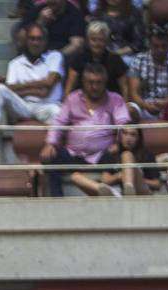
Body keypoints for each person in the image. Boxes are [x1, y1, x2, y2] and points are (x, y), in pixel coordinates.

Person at [41, 62, 130, 198]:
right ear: (83, 82)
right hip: (74, 153)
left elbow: (123, 124)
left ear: (105, 82)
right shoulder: (73, 98)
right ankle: (57, 202)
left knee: (122, 156)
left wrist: (118, 144)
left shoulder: (115, 99)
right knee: (52, 159)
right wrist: (50, 143)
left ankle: (117, 198)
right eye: (90, 82)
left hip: (104, 154)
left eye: (98, 82)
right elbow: (59, 122)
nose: (94, 86)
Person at [0, 24, 64, 149]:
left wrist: (23, 86)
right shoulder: (15, 64)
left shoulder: (55, 57)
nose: (35, 43)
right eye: (32, 39)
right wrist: (39, 87)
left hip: (47, 106)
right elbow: (12, 90)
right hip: (24, 107)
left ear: (45, 41)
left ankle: (54, 151)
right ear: (26, 41)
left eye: (39, 39)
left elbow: (49, 84)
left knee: (58, 112)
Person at [126, 25, 168, 122]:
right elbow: (133, 93)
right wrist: (145, 105)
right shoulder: (138, 60)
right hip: (144, 104)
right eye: (156, 46)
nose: (160, 50)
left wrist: (165, 102)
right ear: (150, 45)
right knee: (129, 111)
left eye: (163, 46)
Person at [64, 21, 127, 96]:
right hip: (82, 102)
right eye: (93, 40)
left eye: (101, 40)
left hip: (110, 102)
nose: (97, 43)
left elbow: (125, 88)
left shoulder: (115, 60)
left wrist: (124, 105)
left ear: (106, 41)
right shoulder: (78, 59)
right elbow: (68, 89)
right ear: (88, 41)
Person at [17, 0, 83, 58]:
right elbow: (21, 40)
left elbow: (76, 45)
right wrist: (40, 22)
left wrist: (56, 57)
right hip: (36, 56)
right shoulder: (36, 9)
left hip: (62, 57)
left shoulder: (74, 13)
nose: (51, 1)